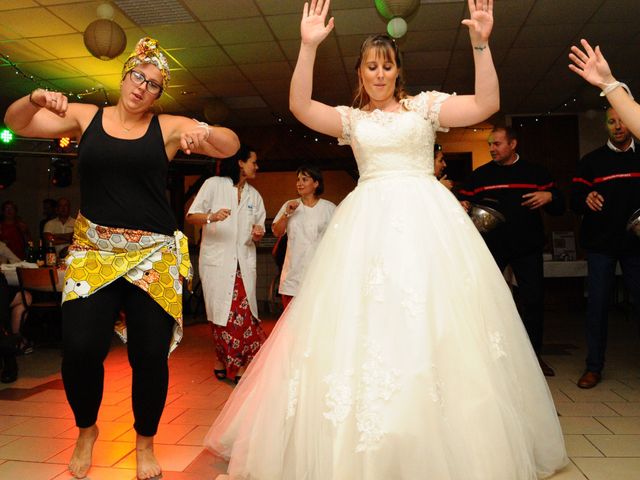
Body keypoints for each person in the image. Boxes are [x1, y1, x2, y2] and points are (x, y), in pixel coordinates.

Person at [205, 1, 567, 479]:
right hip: (367, 230)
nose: (379, 74)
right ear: (360, 73)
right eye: (371, 66)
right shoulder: (354, 121)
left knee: (434, 323)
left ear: (399, 72)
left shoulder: (425, 108)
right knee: (365, 324)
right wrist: (308, 47)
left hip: (427, 228)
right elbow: (299, 106)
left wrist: (481, 43)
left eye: (387, 65)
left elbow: (485, 104)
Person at [4, 36, 239, 480]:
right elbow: (18, 123)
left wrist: (203, 131)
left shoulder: (165, 126)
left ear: (157, 95)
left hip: (152, 255)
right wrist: (34, 96)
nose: (141, 87)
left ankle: (145, 442)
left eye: (152, 85)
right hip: (95, 251)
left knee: (149, 356)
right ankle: (87, 429)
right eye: (137, 76)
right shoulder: (85, 115)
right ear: (123, 74)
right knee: (79, 350)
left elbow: (229, 145)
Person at [458, 126, 565, 376]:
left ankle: (534, 358)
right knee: (487, 302)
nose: (492, 149)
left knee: (533, 301)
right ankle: (489, 357)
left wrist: (549, 196)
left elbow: (560, 205)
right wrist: (462, 203)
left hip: (527, 248)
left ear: (513, 144)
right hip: (491, 249)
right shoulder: (480, 176)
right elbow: (462, 200)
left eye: (497, 144)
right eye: (490, 145)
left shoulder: (535, 172)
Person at [569, 107, 640, 389]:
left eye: (622, 120)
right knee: (597, 307)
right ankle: (593, 367)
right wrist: (586, 198)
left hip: (636, 246)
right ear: (606, 126)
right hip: (600, 246)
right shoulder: (591, 161)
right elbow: (573, 200)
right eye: (612, 121)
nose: (618, 126)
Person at [186, 145, 266, 384]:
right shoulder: (214, 184)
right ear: (241, 163)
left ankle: (240, 365)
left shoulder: (255, 196)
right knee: (221, 317)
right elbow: (192, 216)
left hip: (243, 265)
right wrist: (212, 216)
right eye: (254, 161)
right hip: (218, 264)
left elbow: (258, 229)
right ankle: (221, 360)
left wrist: (258, 233)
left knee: (243, 317)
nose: (257, 167)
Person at [272, 164, 336, 308]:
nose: (299, 183)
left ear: (316, 183)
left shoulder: (329, 208)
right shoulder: (290, 205)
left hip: (319, 272)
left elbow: (337, 240)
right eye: (298, 179)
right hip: (293, 272)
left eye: (305, 179)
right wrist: (287, 214)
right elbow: (277, 232)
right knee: (291, 322)